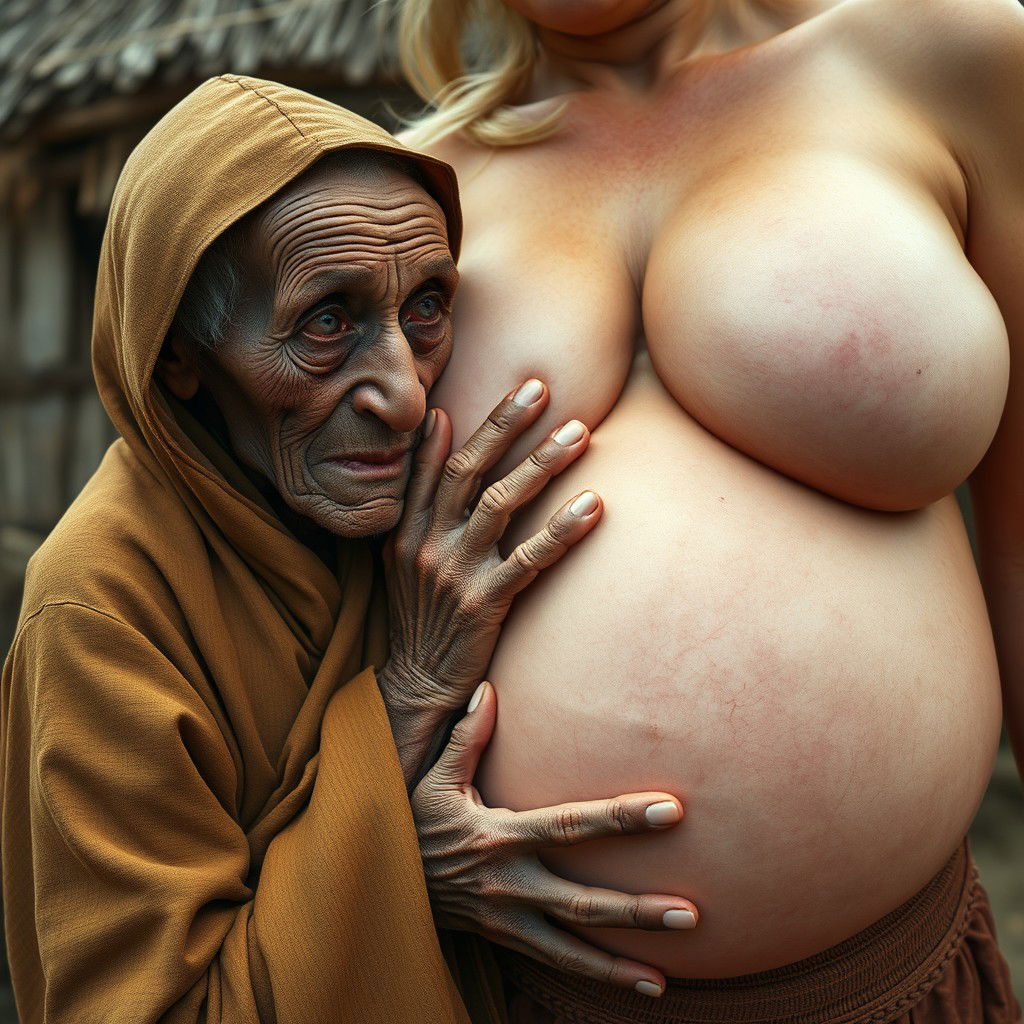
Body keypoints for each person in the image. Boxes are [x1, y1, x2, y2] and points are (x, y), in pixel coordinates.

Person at [0, 75, 704, 1023]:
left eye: (426, 309)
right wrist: (401, 840)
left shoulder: (397, 502)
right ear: (180, 357)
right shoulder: (101, 609)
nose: (407, 395)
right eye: (326, 324)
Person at [398, 0, 1024, 1019]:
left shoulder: (949, 57)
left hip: (900, 980)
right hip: (519, 992)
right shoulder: (395, 194)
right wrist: (384, 818)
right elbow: (301, 610)